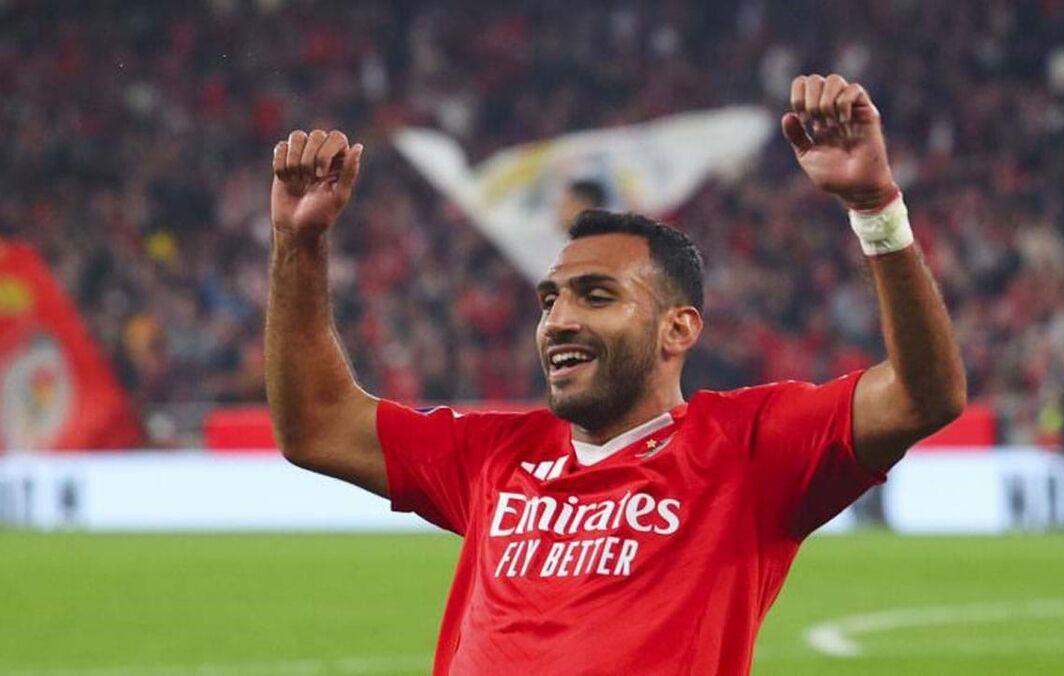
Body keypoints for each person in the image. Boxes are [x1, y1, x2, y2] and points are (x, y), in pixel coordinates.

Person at [266, 73, 965, 675]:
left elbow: (922, 396)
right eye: (550, 300)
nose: (558, 320)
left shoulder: (747, 451)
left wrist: (875, 211)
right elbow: (318, 427)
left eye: (597, 296)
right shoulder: (492, 457)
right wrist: (299, 243)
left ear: (678, 329)